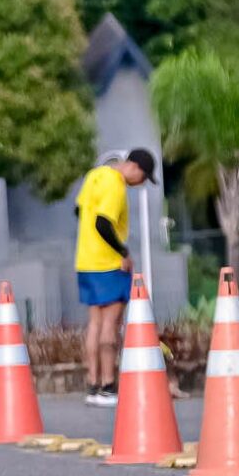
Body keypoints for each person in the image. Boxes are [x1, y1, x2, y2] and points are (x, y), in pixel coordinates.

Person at [75, 149, 156, 406]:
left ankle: (93, 384)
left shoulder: (94, 176)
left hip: (85, 261)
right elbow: (102, 222)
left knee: (95, 324)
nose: (141, 182)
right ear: (135, 167)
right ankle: (109, 385)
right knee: (112, 322)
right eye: (143, 177)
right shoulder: (115, 185)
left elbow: (80, 211)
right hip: (109, 265)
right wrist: (123, 252)